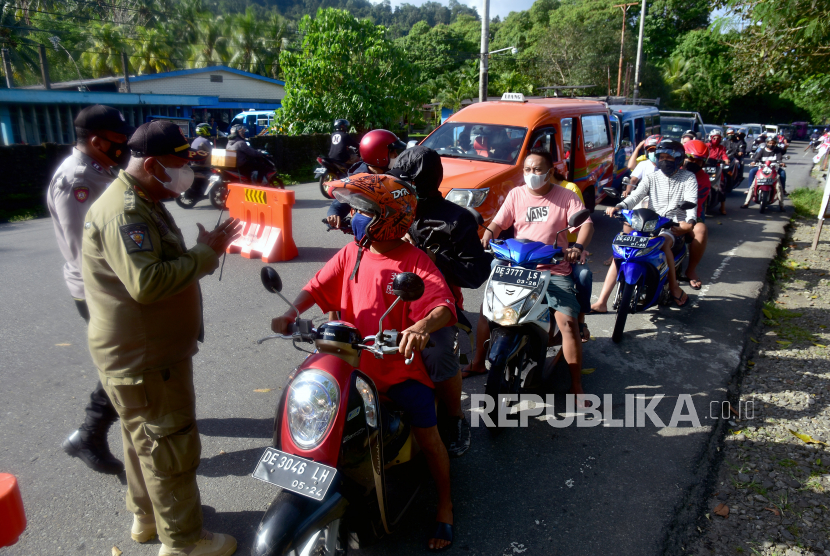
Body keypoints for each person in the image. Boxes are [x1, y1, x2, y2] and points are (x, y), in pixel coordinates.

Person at [271, 173, 457, 551]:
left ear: (389, 217)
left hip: (395, 370)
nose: (352, 216)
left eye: (361, 211)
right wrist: (291, 310)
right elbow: (316, 286)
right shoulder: (351, 253)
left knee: (428, 434)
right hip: (347, 366)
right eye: (354, 208)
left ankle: (445, 504)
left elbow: (442, 305)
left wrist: (420, 325)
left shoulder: (413, 261)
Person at [83, 120, 242, 556]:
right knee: (170, 444)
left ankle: (148, 516)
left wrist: (204, 248)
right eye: (179, 165)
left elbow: (157, 261)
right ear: (152, 165)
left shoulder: (144, 198)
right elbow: (147, 283)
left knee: (142, 441)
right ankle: (185, 541)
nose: (187, 174)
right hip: (147, 357)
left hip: (141, 351)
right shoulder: (125, 212)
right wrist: (205, 256)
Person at [466, 149, 595, 407]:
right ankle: (479, 363)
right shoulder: (516, 194)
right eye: (527, 169)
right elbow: (498, 222)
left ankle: (576, 386)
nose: (531, 174)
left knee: (567, 324)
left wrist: (577, 247)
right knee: (486, 311)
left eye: (537, 170)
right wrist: (487, 234)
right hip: (518, 265)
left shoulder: (566, 196)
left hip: (553, 268)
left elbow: (586, 224)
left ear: (550, 171)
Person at [390, 146, 491, 457]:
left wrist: (431, 257)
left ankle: (455, 417)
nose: (401, 189)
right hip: (388, 303)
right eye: (398, 182)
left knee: (440, 350)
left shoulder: (456, 219)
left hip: (436, 307)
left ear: (425, 183)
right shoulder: (390, 211)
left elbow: (475, 274)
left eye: (408, 183)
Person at [49, 105, 134, 475]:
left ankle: (128, 410)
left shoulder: (100, 168)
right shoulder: (77, 180)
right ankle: (90, 433)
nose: (124, 146)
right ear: (97, 141)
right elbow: (82, 247)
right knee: (126, 364)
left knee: (129, 360)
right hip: (100, 290)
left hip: (116, 284)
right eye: (118, 140)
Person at [591, 139, 696, 313]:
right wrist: (619, 207)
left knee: (663, 242)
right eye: (660, 157)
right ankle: (602, 302)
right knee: (622, 249)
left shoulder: (688, 178)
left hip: (671, 225)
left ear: (678, 159)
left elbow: (691, 204)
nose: (663, 160)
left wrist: (688, 224)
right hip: (648, 223)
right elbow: (635, 197)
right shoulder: (652, 176)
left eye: (668, 157)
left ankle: (674, 286)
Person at [325, 129, 406, 229]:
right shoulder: (358, 180)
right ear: (379, 155)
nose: (396, 155)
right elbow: (342, 201)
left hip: (397, 228)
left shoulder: (396, 174)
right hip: (369, 230)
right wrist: (334, 213)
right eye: (392, 151)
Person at [681, 140, 710, 290]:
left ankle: (690, 269)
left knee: (701, 230)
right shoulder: (670, 169)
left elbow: (692, 205)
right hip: (664, 210)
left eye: (697, 160)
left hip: (688, 215)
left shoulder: (703, 179)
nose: (693, 162)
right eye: (690, 158)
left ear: (703, 163)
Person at [742, 136, 786, 211]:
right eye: (769, 143)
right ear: (766, 143)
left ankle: (781, 204)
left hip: (774, 169)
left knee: (780, 182)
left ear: (775, 144)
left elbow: (779, 159)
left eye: (773, 143)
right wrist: (754, 162)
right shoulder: (762, 150)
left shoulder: (777, 151)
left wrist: (781, 163)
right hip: (762, 169)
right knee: (752, 174)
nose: (771, 144)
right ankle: (746, 202)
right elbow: (756, 158)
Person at [706, 129, 730, 215]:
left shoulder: (722, 148)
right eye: (714, 138)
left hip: (717, 169)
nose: (716, 140)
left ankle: (722, 207)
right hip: (705, 168)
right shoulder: (706, 146)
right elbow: (701, 153)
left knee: (722, 188)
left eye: (718, 138)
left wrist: (726, 159)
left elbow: (724, 155)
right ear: (710, 138)